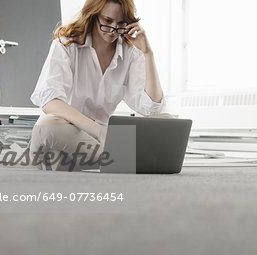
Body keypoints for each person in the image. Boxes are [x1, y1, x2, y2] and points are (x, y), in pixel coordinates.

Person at [28, 0, 165, 171]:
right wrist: (98, 131)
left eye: (121, 23)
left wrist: (147, 53)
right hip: (69, 132)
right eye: (108, 21)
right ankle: (127, 157)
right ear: (93, 15)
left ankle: (100, 159)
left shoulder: (131, 53)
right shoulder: (66, 44)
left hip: (95, 143)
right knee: (47, 127)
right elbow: (50, 100)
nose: (114, 30)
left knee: (166, 120)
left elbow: (152, 109)